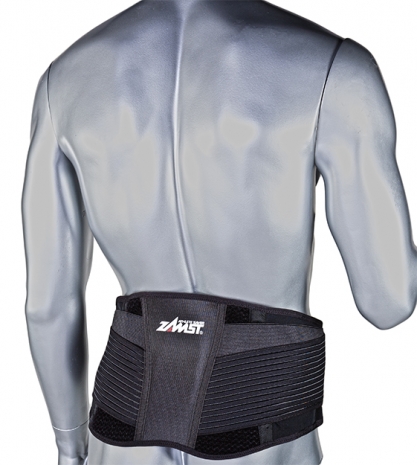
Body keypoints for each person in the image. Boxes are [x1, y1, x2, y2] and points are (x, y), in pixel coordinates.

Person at [21, 0, 416, 464]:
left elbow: (47, 305)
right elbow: (388, 302)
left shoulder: (63, 82)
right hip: (263, 445)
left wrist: (70, 448)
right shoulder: (335, 70)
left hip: (121, 440)